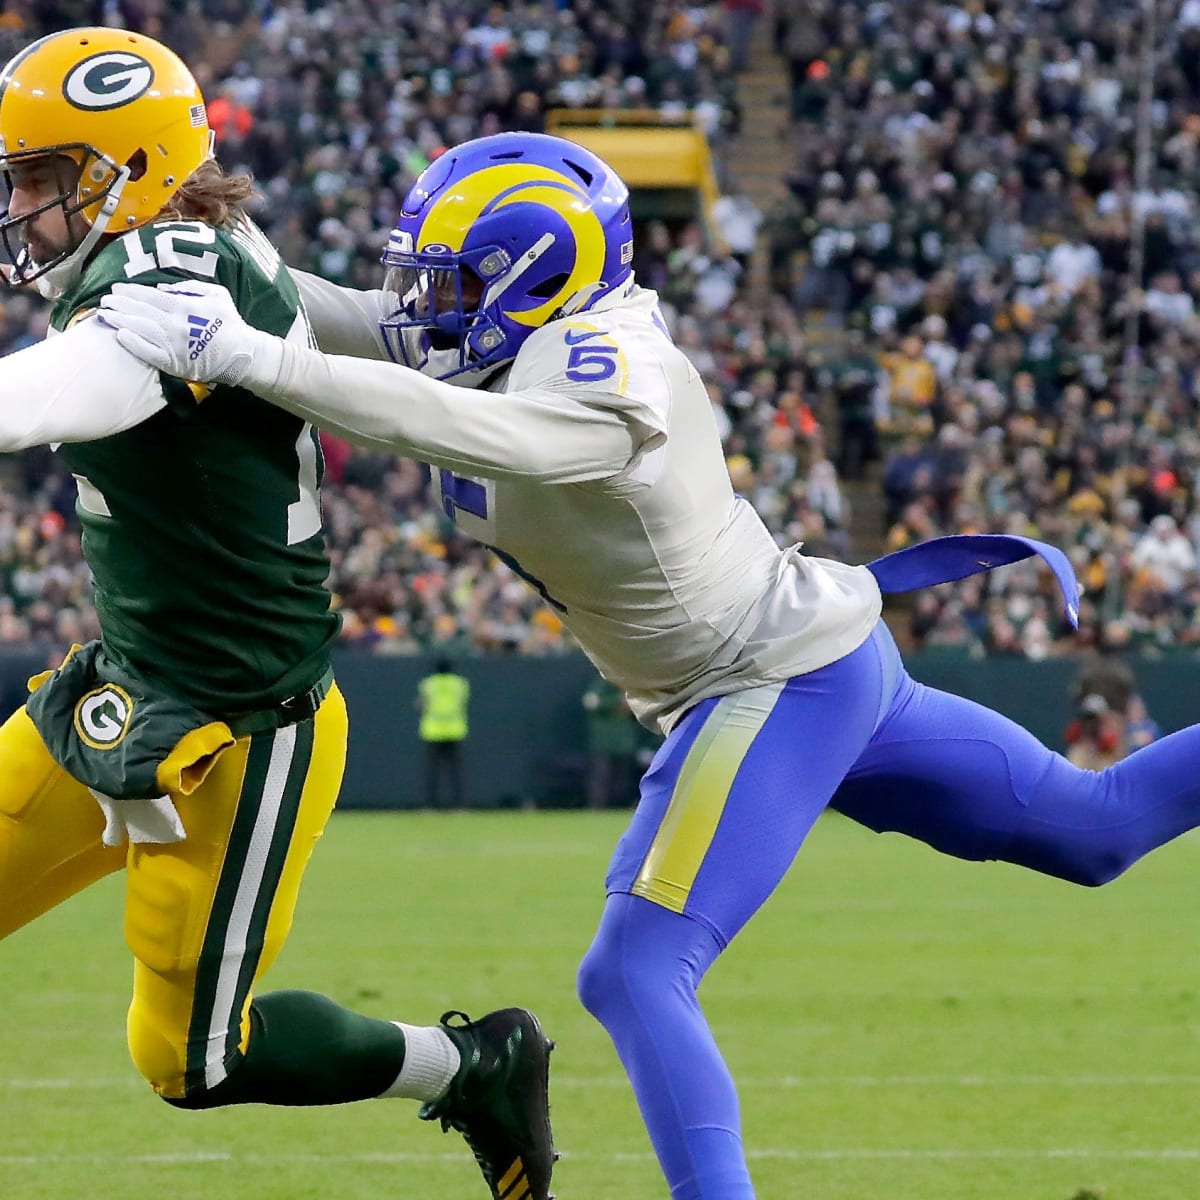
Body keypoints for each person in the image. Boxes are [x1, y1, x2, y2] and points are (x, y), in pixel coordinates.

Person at [100, 129, 1200, 1200]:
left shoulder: (605, 359)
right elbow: (336, 316)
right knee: (1094, 831)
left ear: (535, 278)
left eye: (447, 281)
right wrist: (200, 251)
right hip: (819, 658)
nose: (418, 306)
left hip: (768, 683)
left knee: (631, 973)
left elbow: (487, 435)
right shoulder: (508, 326)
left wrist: (251, 356)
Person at [0, 30, 554, 1200]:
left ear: (128, 170)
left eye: (46, 177)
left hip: (244, 733)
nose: (24, 207)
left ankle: (468, 1064)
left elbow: (76, 387)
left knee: (191, 1061)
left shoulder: (166, 287)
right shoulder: (197, 239)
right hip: (125, 681)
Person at [417, 655, 470, 808]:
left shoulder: (428, 684)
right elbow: (464, 703)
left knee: (431, 772)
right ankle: (460, 804)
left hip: (433, 730)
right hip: (455, 729)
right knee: (456, 772)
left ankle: (429, 805)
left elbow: (423, 703)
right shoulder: (460, 684)